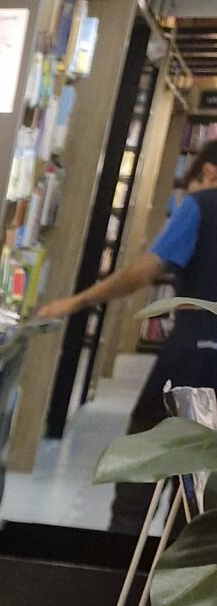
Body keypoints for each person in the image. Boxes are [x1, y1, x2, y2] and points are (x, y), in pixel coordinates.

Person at [37, 144, 217, 529]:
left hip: (192, 357)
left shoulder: (200, 207)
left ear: (209, 173)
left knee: (140, 479)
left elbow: (141, 274)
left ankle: (118, 560)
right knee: (201, 503)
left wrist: (77, 301)